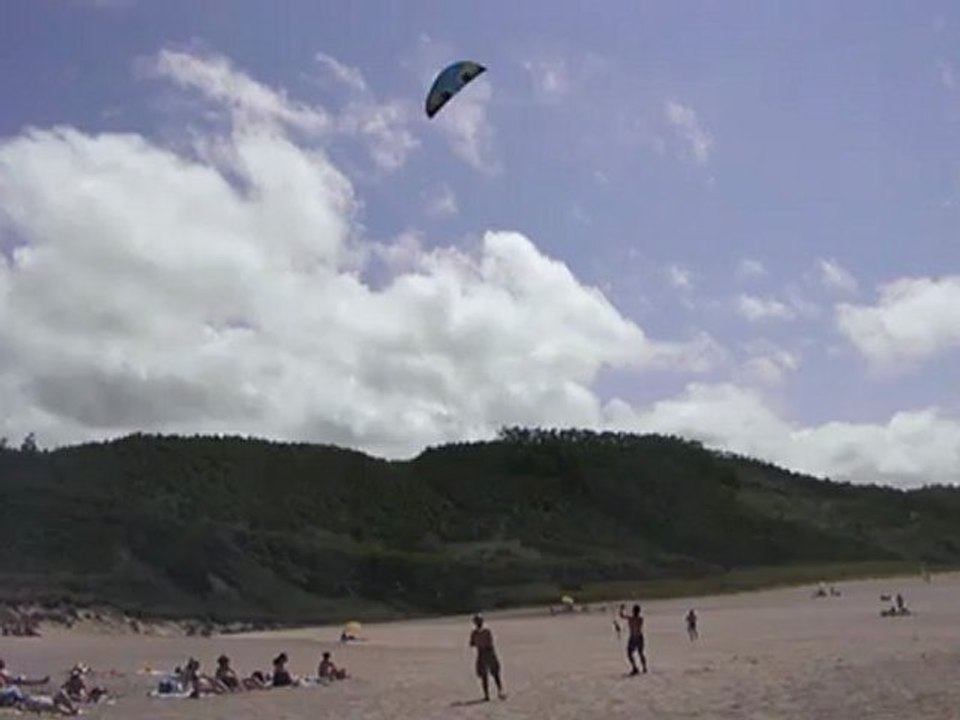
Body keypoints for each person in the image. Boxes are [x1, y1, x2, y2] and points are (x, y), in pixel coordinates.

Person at [469, 614, 505, 701]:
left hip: (486, 652)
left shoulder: (481, 632)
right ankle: (493, 693)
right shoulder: (481, 632)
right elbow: (473, 643)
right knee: (488, 675)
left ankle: (494, 693)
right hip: (486, 653)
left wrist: (478, 642)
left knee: (492, 674)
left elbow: (472, 644)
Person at [618, 604, 648, 675]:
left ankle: (636, 668)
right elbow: (623, 616)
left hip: (634, 638)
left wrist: (622, 609)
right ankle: (643, 668)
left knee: (631, 653)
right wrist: (622, 610)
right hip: (639, 637)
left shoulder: (635, 619)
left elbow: (622, 616)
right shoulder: (639, 619)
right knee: (640, 653)